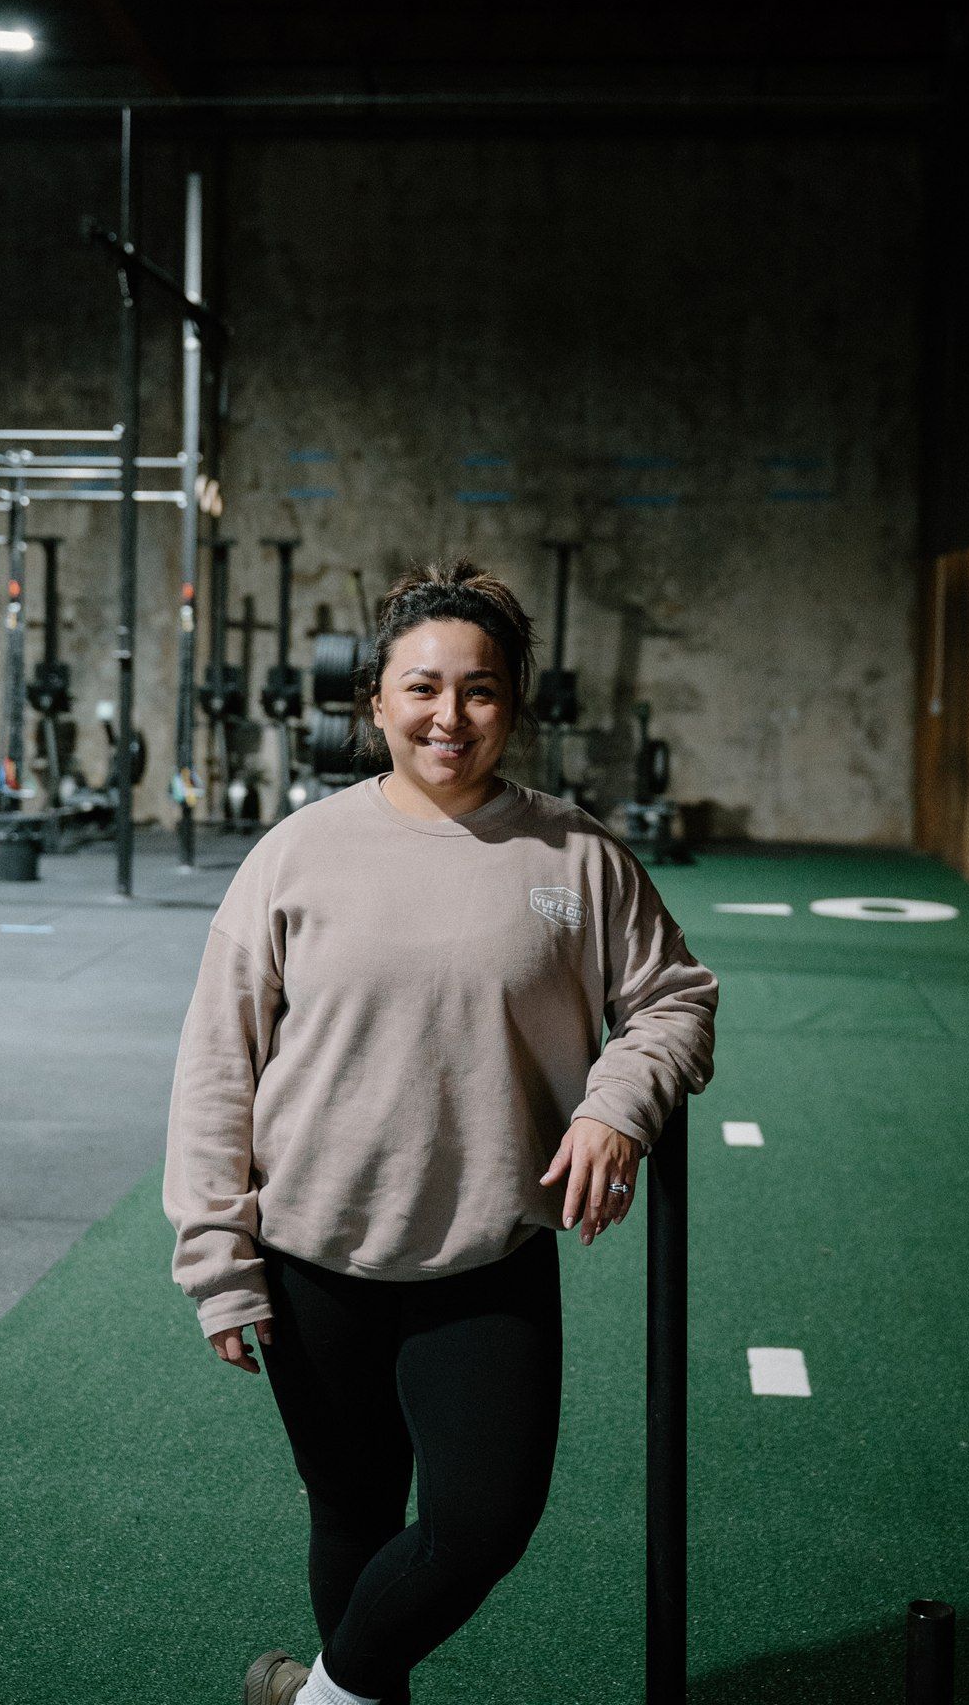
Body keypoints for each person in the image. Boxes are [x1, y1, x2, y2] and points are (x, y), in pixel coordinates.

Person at [163, 557, 718, 1705]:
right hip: (313, 1253)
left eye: (478, 689)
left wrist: (616, 1103)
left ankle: (313, 1696)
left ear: (514, 703)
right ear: (376, 700)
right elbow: (218, 1064)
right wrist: (216, 1255)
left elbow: (674, 999)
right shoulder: (296, 852)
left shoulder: (575, 856)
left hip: (485, 1254)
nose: (448, 715)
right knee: (353, 1514)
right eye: (421, 687)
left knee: (479, 1523)